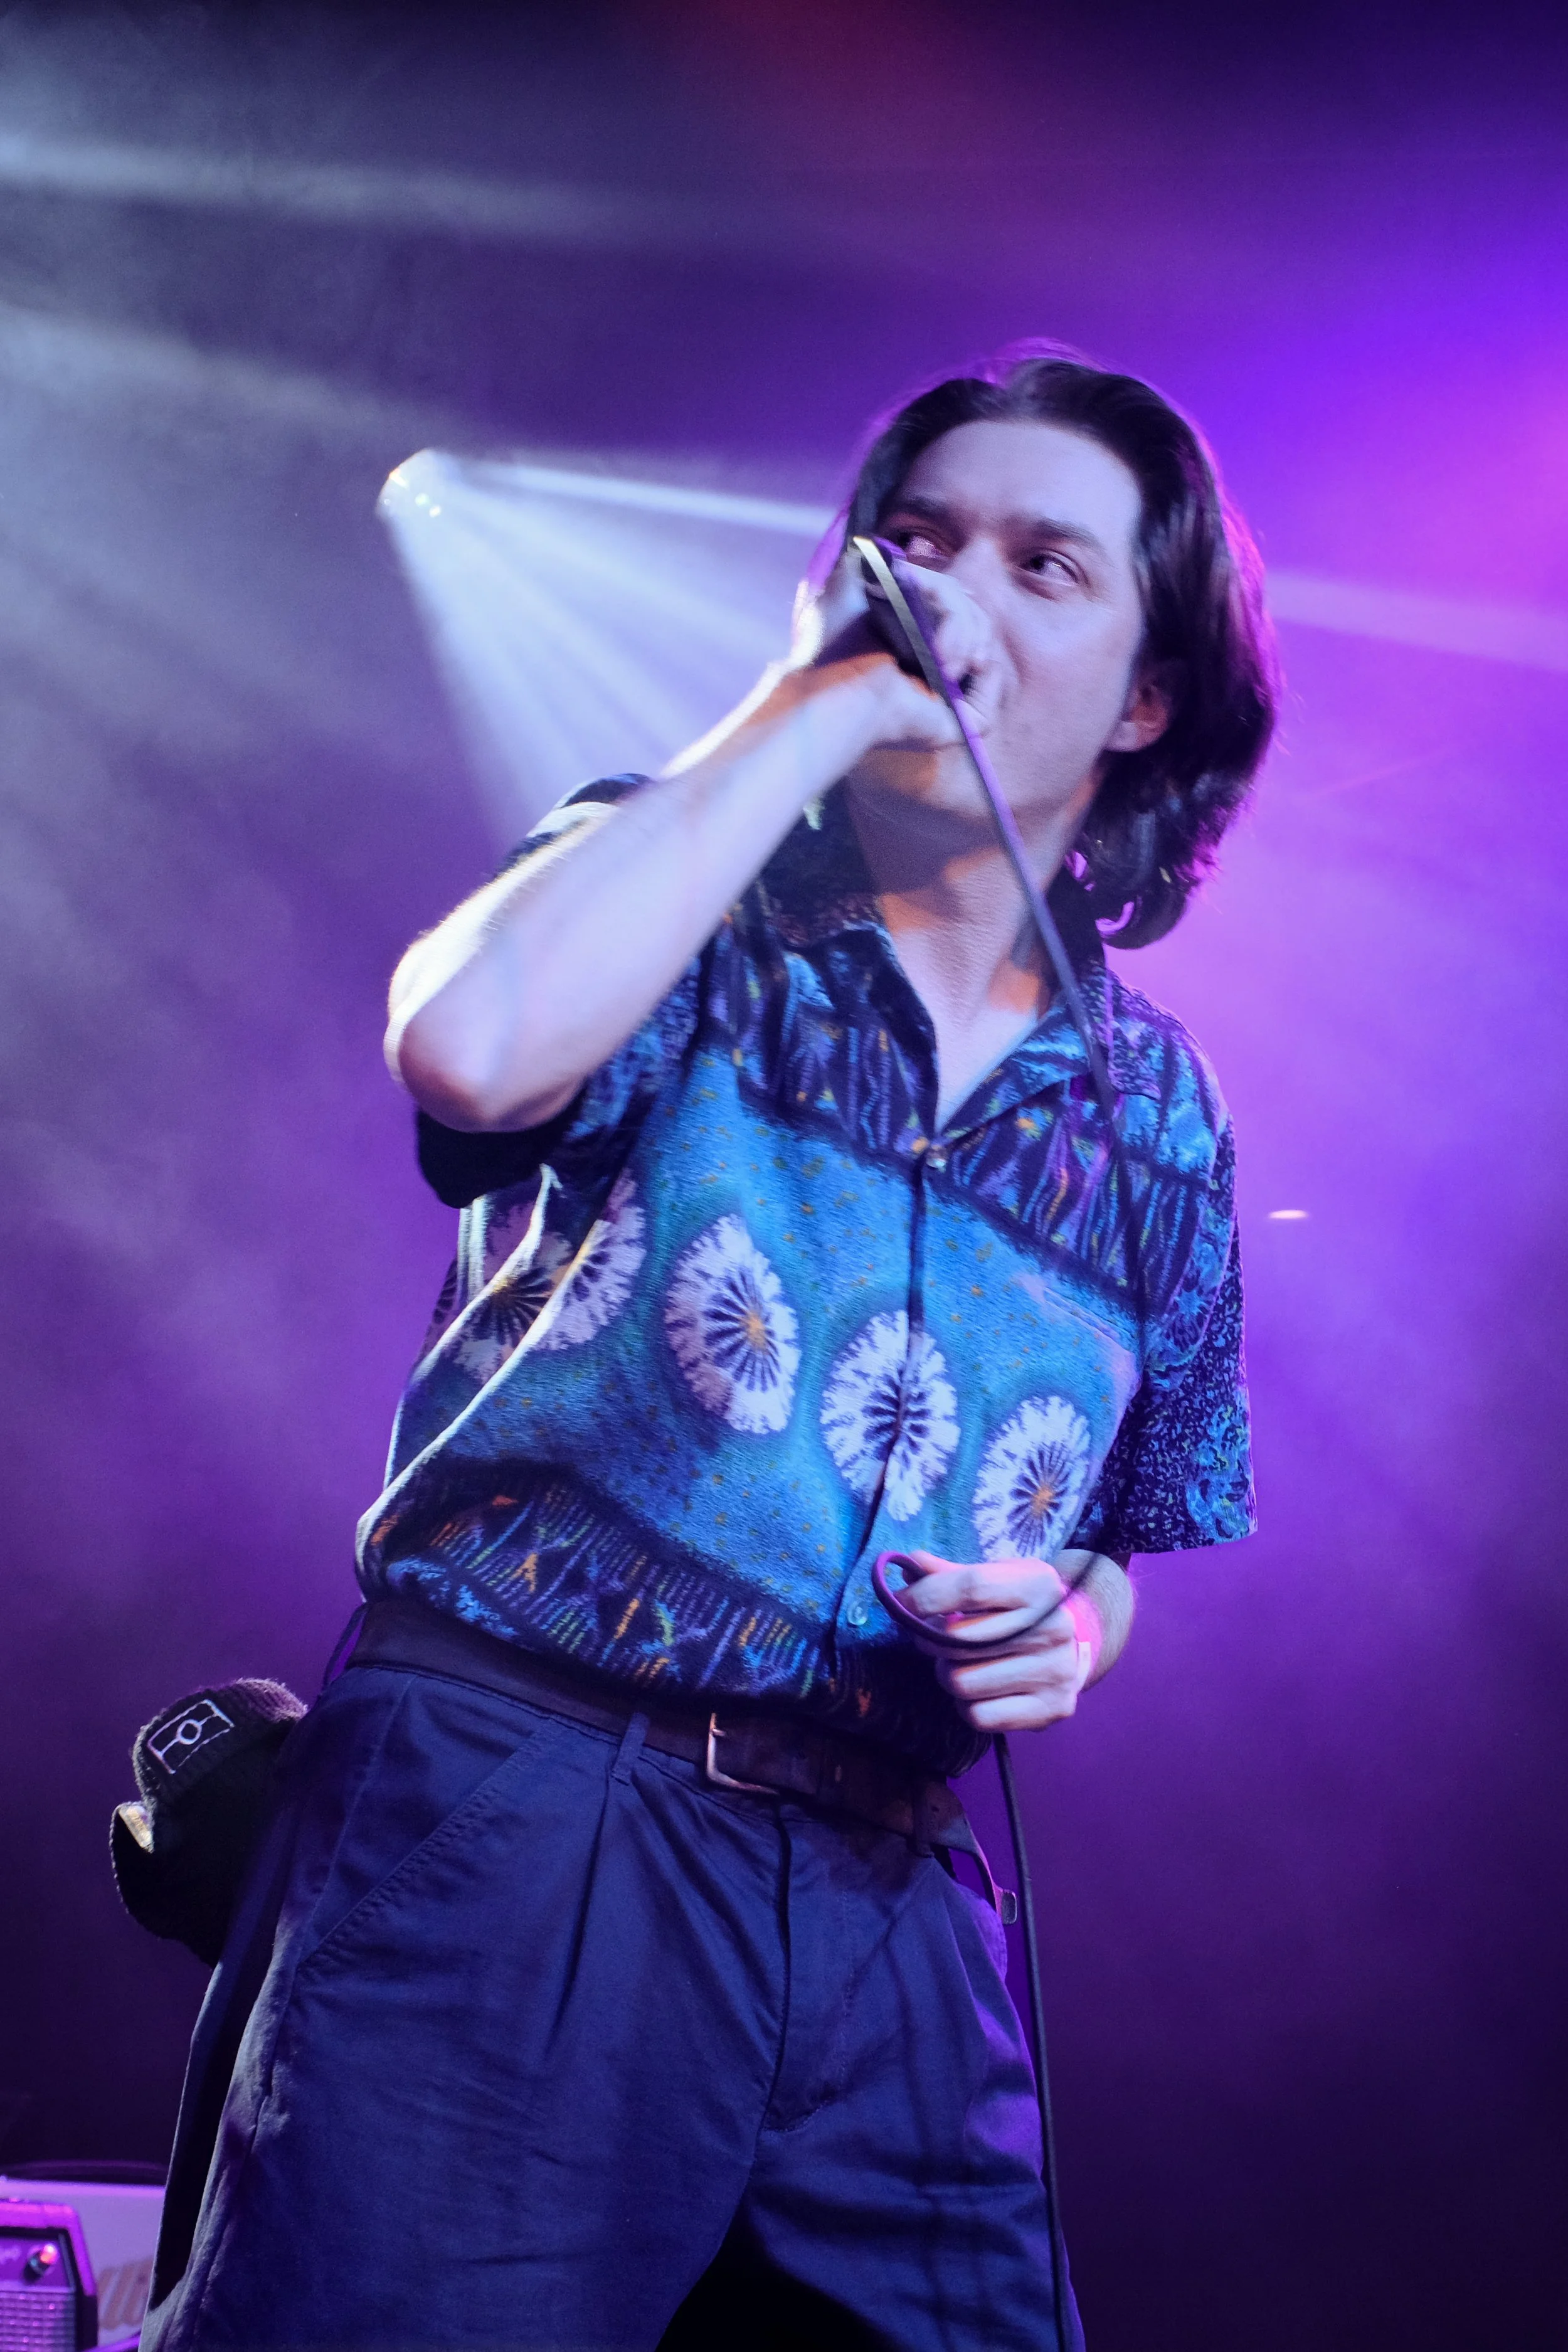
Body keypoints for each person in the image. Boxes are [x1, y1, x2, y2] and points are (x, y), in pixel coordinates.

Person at [144, 347, 1276, 2352]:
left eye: (1043, 565)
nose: (954, 596)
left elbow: (1130, 1529)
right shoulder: (683, 889)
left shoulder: (1158, 1119)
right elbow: (469, 1042)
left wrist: (1070, 1626)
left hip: (897, 1905)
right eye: (912, 540)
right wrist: (819, 695)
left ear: (1152, 690)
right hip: (531, 1802)